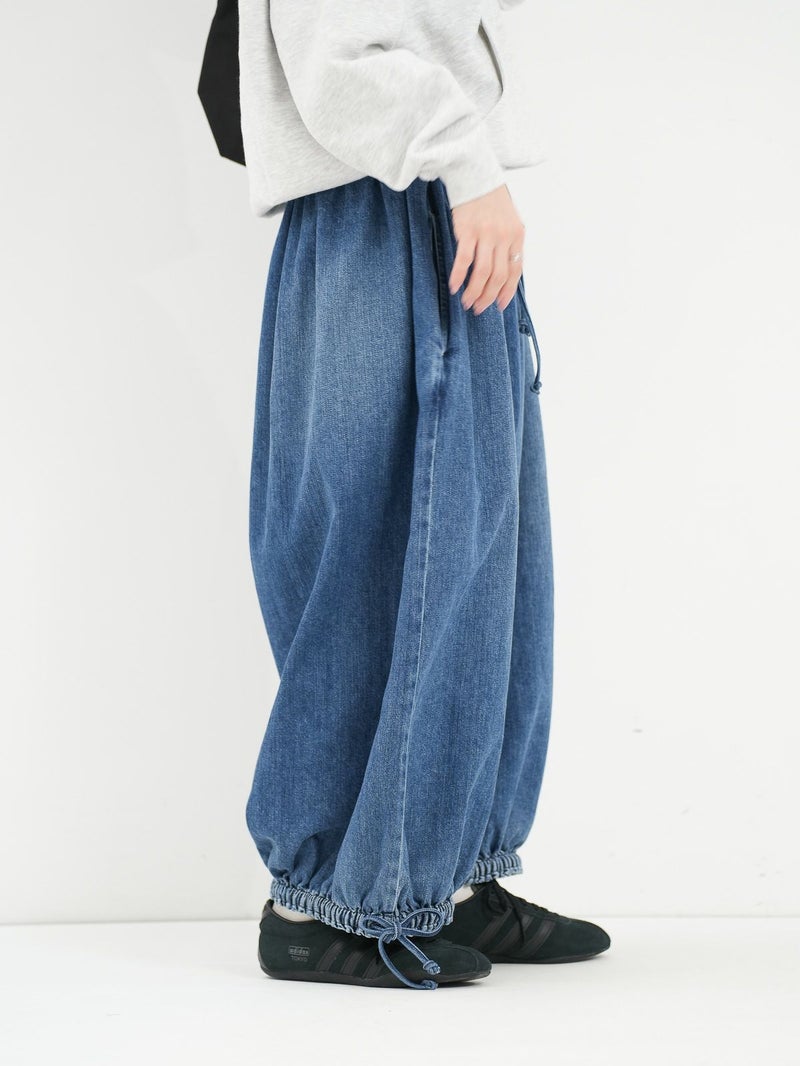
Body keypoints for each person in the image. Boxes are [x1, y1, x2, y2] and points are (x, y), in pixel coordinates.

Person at [235, 0, 611, 990]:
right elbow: (337, 51)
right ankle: (314, 907)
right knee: (378, 557)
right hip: (381, 202)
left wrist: (463, 171)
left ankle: (445, 874)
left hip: (425, 199)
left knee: (485, 563)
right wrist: (464, 163)